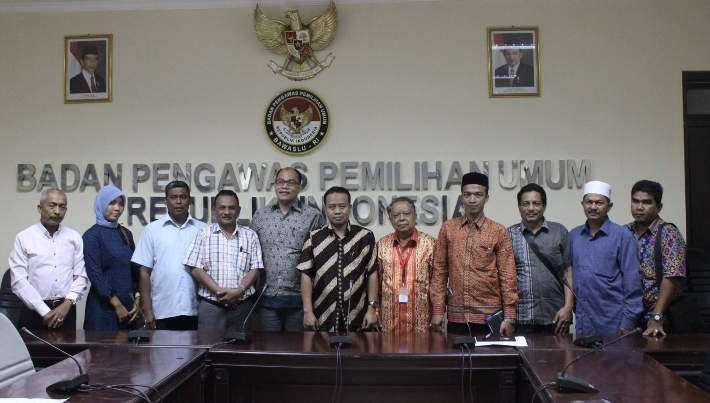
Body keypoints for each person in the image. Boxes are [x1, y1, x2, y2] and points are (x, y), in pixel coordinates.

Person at [430, 172, 518, 337]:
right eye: (467, 194)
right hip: (457, 316)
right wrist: (438, 310)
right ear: (461, 198)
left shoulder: (498, 231)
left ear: (486, 198)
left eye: (478, 195)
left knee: (490, 355)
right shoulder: (448, 229)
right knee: (456, 354)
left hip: (490, 317)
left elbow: (508, 275)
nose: (472, 200)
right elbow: (439, 271)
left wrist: (509, 316)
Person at [250, 167, 326, 331]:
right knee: (269, 345)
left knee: (297, 346)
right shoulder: (260, 216)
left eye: (291, 182)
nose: (285, 186)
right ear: (275, 185)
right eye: (281, 182)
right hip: (267, 297)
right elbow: (251, 256)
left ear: (300, 187)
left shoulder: (313, 216)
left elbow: (321, 258)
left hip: (300, 299)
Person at [297, 186, 379, 332]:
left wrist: (372, 309)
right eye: (332, 207)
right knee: (322, 347)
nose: (337, 211)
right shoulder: (314, 238)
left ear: (350, 207)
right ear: (325, 209)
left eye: (342, 206)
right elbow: (306, 275)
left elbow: (372, 273)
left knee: (359, 347)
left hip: (358, 314)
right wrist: (307, 311)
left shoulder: (365, 236)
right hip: (322, 314)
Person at [570, 180, 643, 335]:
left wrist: (628, 321)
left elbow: (632, 283)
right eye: (589, 202)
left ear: (609, 206)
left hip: (614, 322)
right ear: (582, 204)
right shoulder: (574, 236)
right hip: (583, 322)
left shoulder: (623, 236)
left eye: (599, 203)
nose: (593, 207)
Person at [184, 190, 263, 331]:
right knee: (209, 344)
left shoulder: (250, 236)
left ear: (238, 211)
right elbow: (195, 268)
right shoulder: (203, 234)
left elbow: (256, 268)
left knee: (241, 344)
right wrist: (220, 293)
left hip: (242, 306)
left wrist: (238, 292)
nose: (227, 212)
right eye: (222, 208)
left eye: (231, 208)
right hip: (211, 306)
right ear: (214, 210)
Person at [131, 181, 206, 330]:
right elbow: (144, 272)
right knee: (162, 346)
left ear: (190, 200)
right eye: (173, 197)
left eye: (183, 197)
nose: (178, 201)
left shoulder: (203, 230)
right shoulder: (153, 230)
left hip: (196, 309)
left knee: (197, 346)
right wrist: (147, 310)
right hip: (163, 310)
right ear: (166, 201)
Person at [9, 189, 87, 330]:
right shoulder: (24, 238)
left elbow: (81, 276)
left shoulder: (74, 238)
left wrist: (67, 303)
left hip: (66, 310)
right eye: (52, 206)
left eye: (62, 207)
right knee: (31, 345)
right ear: (40, 208)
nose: (57, 211)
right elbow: (18, 281)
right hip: (33, 310)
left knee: (68, 345)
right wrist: (44, 310)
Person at [508, 184, 573, 334]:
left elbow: (568, 271)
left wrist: (568, 307)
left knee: (559, 350)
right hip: (522, 317)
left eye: (536, 203)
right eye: (526, 204)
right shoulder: (508, 235)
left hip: (556, 315)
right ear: (519, 207)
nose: (531, 208)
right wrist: (508, 317)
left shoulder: (559, 232)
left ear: (544, 206)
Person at [624, 180, 687, 337]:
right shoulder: (624, 232)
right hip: (630, 317)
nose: (639, 207)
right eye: (635, 201)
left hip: (662, 318)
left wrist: (657, 316)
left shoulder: (669, 233)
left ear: (659, 207)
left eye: (647, 202)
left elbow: (672, 277)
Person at [83, 186, 140, 330]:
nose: (117, 208)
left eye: (121, 204)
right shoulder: (92, 235)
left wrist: (138, 298)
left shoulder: (125, 233)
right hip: (103, 310)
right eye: (112, 203)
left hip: (128, 308)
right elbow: (95, 275)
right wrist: (117, 305)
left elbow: (135, 270)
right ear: (102, 204)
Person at [377, 197, 436, 332]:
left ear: (415, 216)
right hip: (389, 323)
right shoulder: (382, 245)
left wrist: (438, 313)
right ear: (390, 220)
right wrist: (376, 312)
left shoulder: (431, 244)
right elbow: (376, 284)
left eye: (406, 214)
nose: (401, 219)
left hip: (422, 323)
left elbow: (437, 284)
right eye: (396, 215)